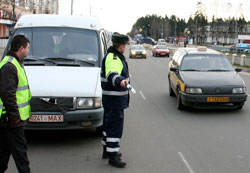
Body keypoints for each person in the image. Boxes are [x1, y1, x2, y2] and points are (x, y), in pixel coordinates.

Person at [0, 35, 32, 173]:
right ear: (21, 48)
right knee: (20, 155)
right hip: (12, 120)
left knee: (3, 154)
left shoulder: (14, 62)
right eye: (27, 48)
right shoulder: (10, 66)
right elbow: (8, 95)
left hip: (8, 119)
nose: (28, 50)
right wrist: (15, 117)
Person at [100, 32, 130, 168]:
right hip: (115, 101)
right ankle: (113, 156)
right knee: (114, 128)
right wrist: (121, 81)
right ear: (121, 46)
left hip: (110, 99)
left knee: (107, 126)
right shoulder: (114, 58)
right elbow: (112, 74)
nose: (125, 48)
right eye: (124, 45)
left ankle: (107, 150)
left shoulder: (111, 56)